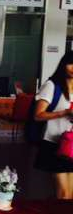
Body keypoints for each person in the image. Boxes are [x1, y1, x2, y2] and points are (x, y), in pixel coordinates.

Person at [34, 51, 73, 199]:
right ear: (63, 65)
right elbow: (38, 115)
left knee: (70, 195)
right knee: (63, 194)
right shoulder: (52, 86)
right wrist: (65, 112)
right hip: (54, 144)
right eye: (71, 63)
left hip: (72, 145)